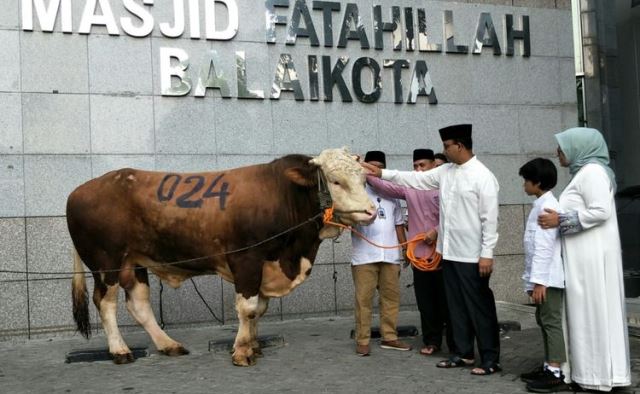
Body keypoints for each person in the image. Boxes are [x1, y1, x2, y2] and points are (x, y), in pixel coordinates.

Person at [362, 124, 501, 376]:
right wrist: (380, 172)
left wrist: (487, 253)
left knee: (478, 307)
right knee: (456, 307)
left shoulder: (483, 176)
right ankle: (463, 353)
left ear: (459, 145)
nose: (445, 151)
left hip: (473, 256)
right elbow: (412, 179)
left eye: (447, 146)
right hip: (448, 253)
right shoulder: (445, 172)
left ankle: (490, 358)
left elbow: (489, 220)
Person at [537, 127, 631, 391]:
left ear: (580, 147)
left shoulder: (592, 173)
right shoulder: (585, 172)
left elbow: (599, 211)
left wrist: (560, 219)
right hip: (585, 255)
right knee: (586, 314)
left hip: (590, 258)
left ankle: (595, 375)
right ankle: (589, 373)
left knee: (591, 313)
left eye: (562, 147)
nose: (558, 153)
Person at [367, 149, 454, 356]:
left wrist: (436, 231)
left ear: (434, 165)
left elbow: (454, 216)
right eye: (415, 166)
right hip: (419, 256)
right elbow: (384, 185)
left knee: (447, 303)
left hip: (443, 254)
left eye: (423, 165)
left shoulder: (445, 188)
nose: (418, 170)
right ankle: (431, 342)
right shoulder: (409, 189)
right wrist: (366, 171)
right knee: (425, 302)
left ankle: (455, 345)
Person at [351, 150, 412, 357]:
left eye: (377, 166)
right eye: (369, 165)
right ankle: (362, 340)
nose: (372, 170)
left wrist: (405, 249)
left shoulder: (391, 194)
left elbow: (398, 224)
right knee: (364, 301)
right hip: (364, 257)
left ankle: (389, 336)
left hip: (391, 256)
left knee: (391, 299)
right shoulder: (357, 192)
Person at [517, 158, 569, 393]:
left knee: (550, 322)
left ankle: (555, 371)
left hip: (548, 279)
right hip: (542, 279)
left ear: (536, 183)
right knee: (543, 320)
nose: (523, 185)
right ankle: (549, 365)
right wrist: (532, 281)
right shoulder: (541, 203)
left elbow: (544, 248)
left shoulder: (548, 207)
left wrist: (538, 282)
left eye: (526, 181)